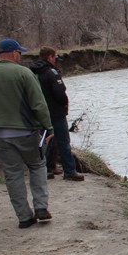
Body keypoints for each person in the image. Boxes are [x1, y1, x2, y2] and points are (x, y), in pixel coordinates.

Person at [0, 38, 54, 228]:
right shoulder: (24, 73)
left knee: (13, 174)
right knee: (37, 165)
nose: (20, 56)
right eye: (20, 53)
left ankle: (24, 217)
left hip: (1, 135)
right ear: (14, 53)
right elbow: (38, 104)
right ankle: (41, 206)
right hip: (26, 131)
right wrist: (48, 127)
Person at [30, 47, 84, 182]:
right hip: (56, 113)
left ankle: (47, 168)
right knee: (63, 142)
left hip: (40, 113)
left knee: (45, 141)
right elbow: (60, 93)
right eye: (55, 57)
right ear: (49, 57)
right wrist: (64, 105)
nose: (56, 61)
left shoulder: (32, 72)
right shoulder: (51, 72)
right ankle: (70, 171)